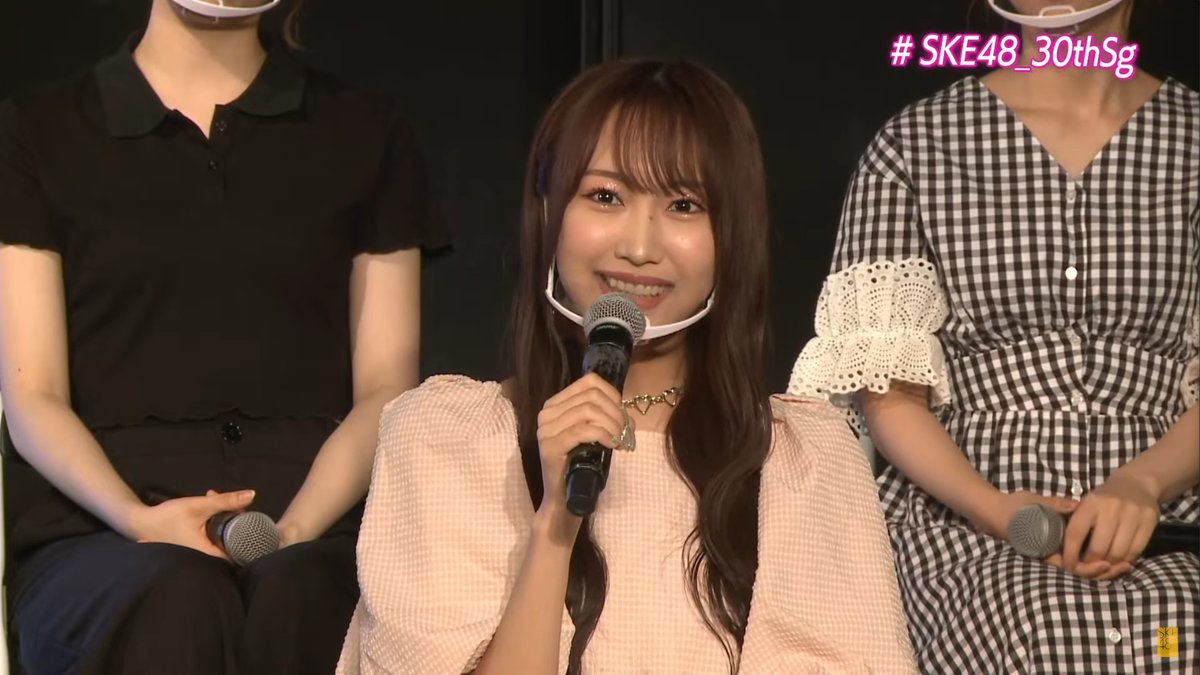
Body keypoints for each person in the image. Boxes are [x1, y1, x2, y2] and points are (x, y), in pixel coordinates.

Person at [334, 57, 917, 675]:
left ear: (732, 236)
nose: (638, 248)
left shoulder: (804, 457)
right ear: (548, 212)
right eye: (605, 196)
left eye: (684, 205)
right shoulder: (444, 438)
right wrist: (555, 526)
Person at [0, 0, 449, 672]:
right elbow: (32, 393)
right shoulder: (40, 130)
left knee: (301, 598)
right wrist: (137, 519)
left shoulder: (364, 130)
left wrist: (292, 531)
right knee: (175, 598)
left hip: (312, 520)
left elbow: (386, 388)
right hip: (102, 531)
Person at [787, 0, 1199, 672]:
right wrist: (996, 510)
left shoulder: (1191, 137)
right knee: (1040, 624)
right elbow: (887, 391)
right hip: (968, 519)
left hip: (1172, 518)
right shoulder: (915, 147)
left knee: (1175, 630)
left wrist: (1142, 483)